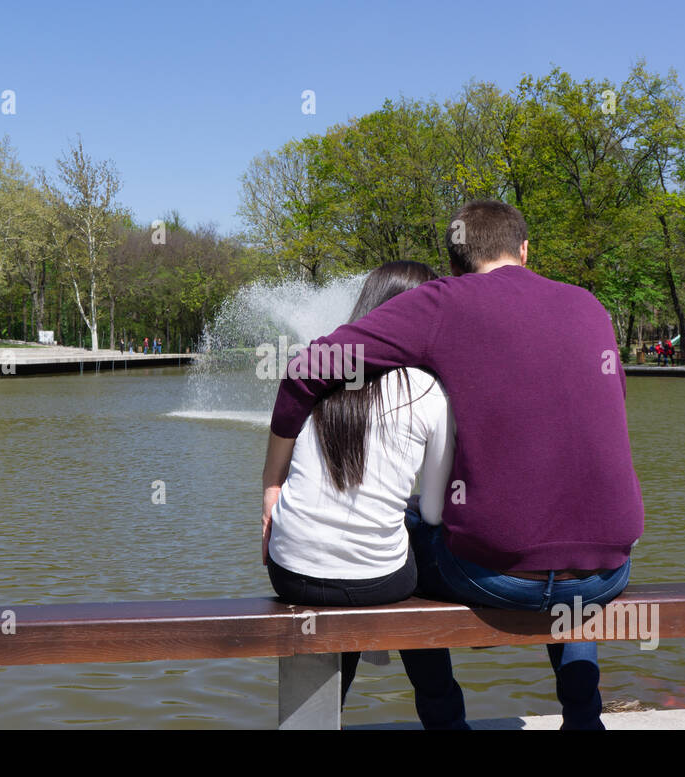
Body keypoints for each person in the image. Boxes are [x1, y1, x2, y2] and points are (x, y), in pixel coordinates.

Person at [263, 200, 642, 730]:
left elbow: (308, 368)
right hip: (606, 571)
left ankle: (438, 718)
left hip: (500, 578)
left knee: (408, 534)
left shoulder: (444, 301)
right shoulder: (589, 306)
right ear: (525, 249)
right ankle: (583, 716)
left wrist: (271, 484)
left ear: (455, 262)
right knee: (566, 529)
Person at [263, 261, 467, 730]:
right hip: (377, 581)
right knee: (416, 541)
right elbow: (435, 511)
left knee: (355, 564)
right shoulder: (428, 391)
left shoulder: (319, 376)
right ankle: (445, 717)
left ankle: (323, 717)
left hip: (290, 571)